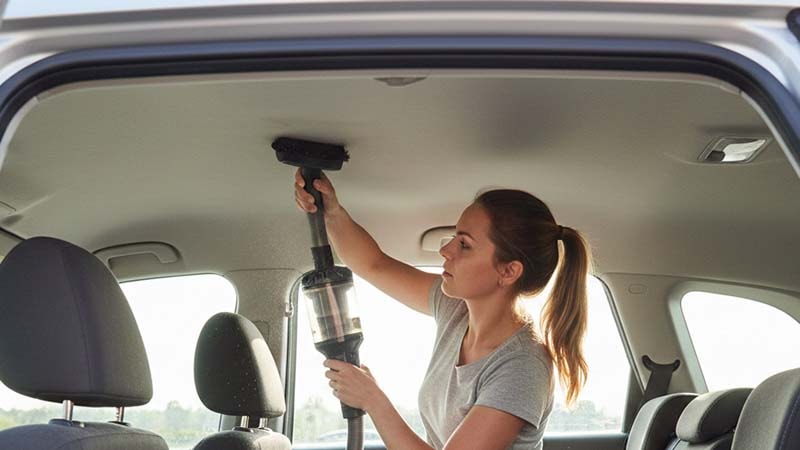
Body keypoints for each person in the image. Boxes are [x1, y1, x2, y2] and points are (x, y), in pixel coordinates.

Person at [294, 169, 591, 450]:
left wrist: (373, 399)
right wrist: (331, 211)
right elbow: (373, 264)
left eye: (464, 245)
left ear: (509, 271)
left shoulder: (522, 367)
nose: (446, 250)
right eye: (454, 238)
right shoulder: (455, 309)